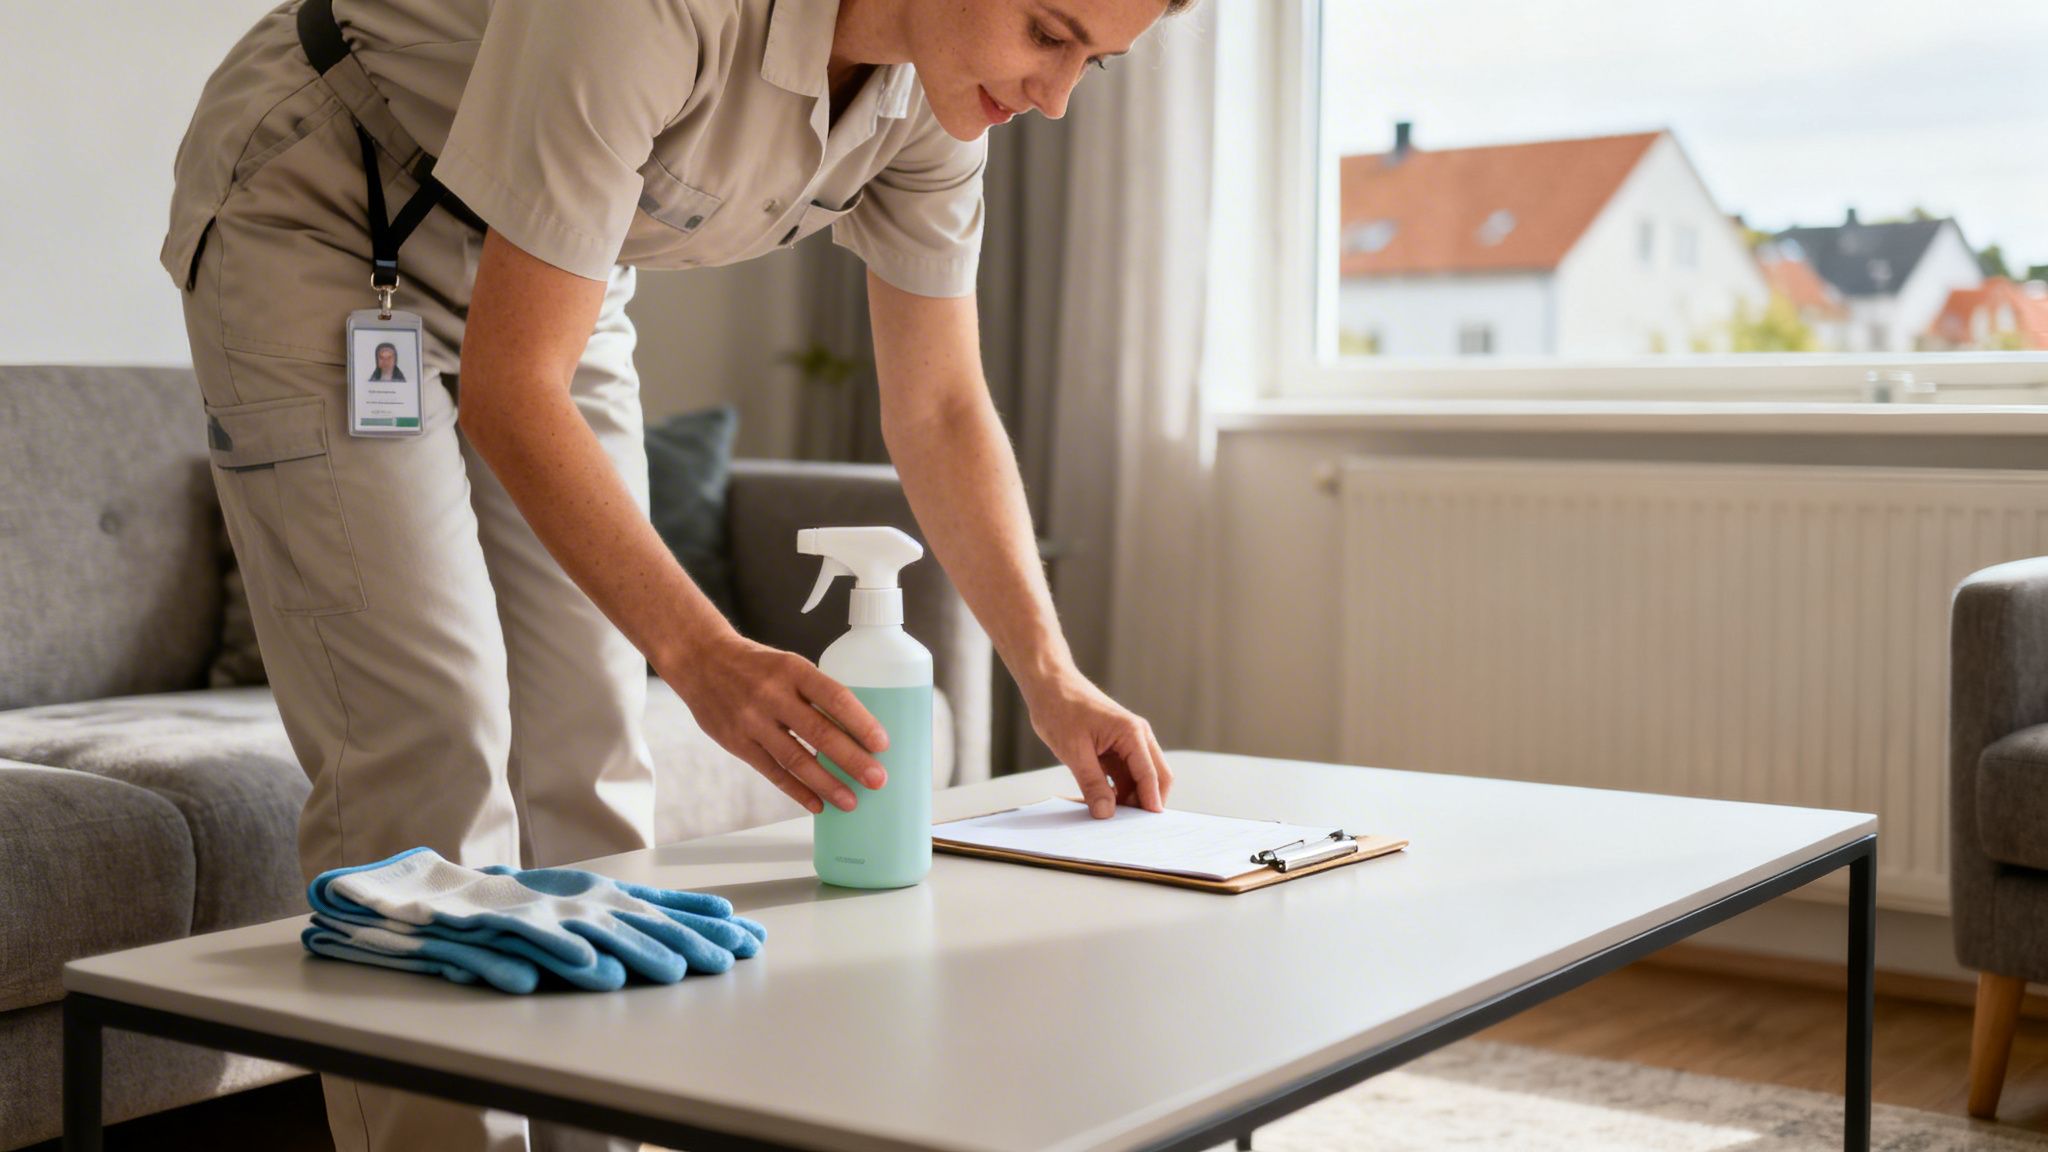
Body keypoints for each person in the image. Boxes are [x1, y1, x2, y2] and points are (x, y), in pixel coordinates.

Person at [162, 0, 1186, 1149]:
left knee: (593, 751)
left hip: (564, 267)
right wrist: (703, 652)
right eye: (1047, 31)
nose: (1055, 95)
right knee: (427, 741)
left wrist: (1052, 676)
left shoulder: (932, 98)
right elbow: (513, 390)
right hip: (336, 208)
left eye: (1094, 61)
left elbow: (940, 406)